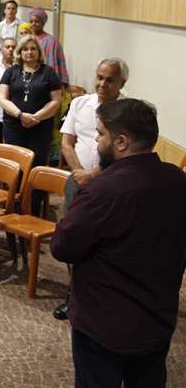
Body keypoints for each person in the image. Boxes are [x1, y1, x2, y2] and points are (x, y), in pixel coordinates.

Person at [51, 99, 186, 388]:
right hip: (157, 320)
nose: (97, 141)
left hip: (104, 326)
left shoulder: (102, 191)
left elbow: (62, 247)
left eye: (100, 135)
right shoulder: (178, 181)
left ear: (121, 142)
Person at [51, 58, 128, 321]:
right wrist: (80, 174)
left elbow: (127, 153)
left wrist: (95, 176)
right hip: (77, 181)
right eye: (99, 77)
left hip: (112, 187)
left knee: (104, 246)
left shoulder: (128, 111)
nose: (102, 83)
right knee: (75, 241)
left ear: (122, 83)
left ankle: (101, 299)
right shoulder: (79, 103)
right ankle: (73, 298)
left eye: (110, 79)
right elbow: (66, 144)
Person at [0, 34, 63, 179]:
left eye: (33, 49)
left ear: (39, 52)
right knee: (15, 164)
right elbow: (2, 98)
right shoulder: (11, 71)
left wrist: (35, 117)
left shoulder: (49, 72)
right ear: (20, 52)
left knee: (37, 164)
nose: (29, 52)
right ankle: (15, 199)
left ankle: (35, 200)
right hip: (14, 126)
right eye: (25, 49)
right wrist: (20, 115)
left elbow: (55, 101)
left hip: (40, 127)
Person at [29, 7, 69, 85]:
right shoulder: (26, 39)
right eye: (31, 21)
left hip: (45, 81)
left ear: (43, 23)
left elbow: (58, 65)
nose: (33, 24)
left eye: (37, 21)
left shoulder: (52, 42)